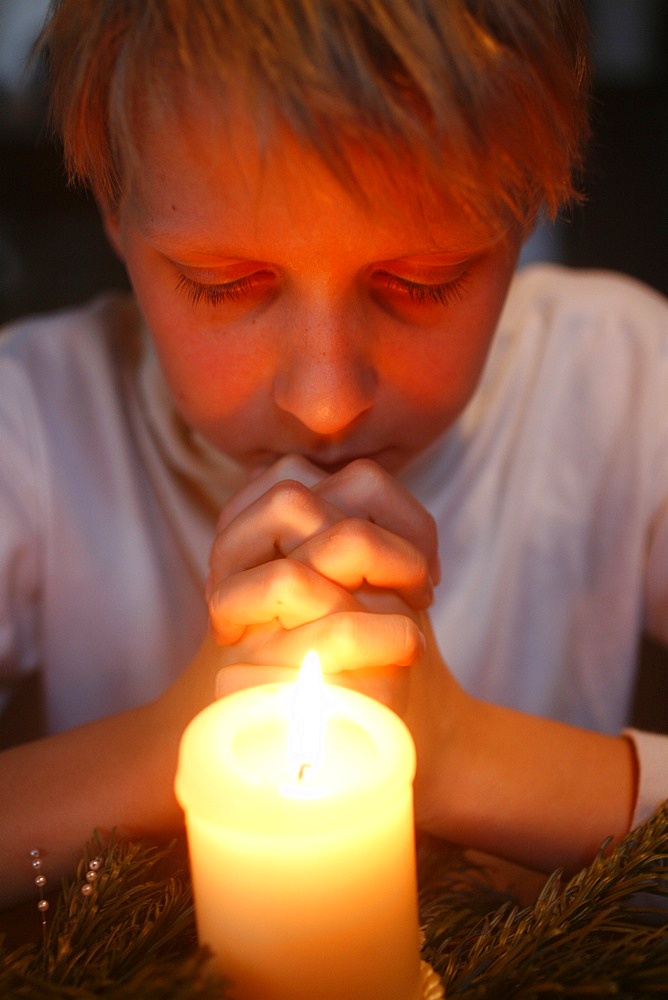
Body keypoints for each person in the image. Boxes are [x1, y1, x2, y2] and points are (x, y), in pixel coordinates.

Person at [0, 0, 666, 910]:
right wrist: (173, 743)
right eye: (224, 285)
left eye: (421, 283)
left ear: (527, 215)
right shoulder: (32, 423)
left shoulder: (629, 385)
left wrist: (470, 756)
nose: (324, 401)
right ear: (115, 211)